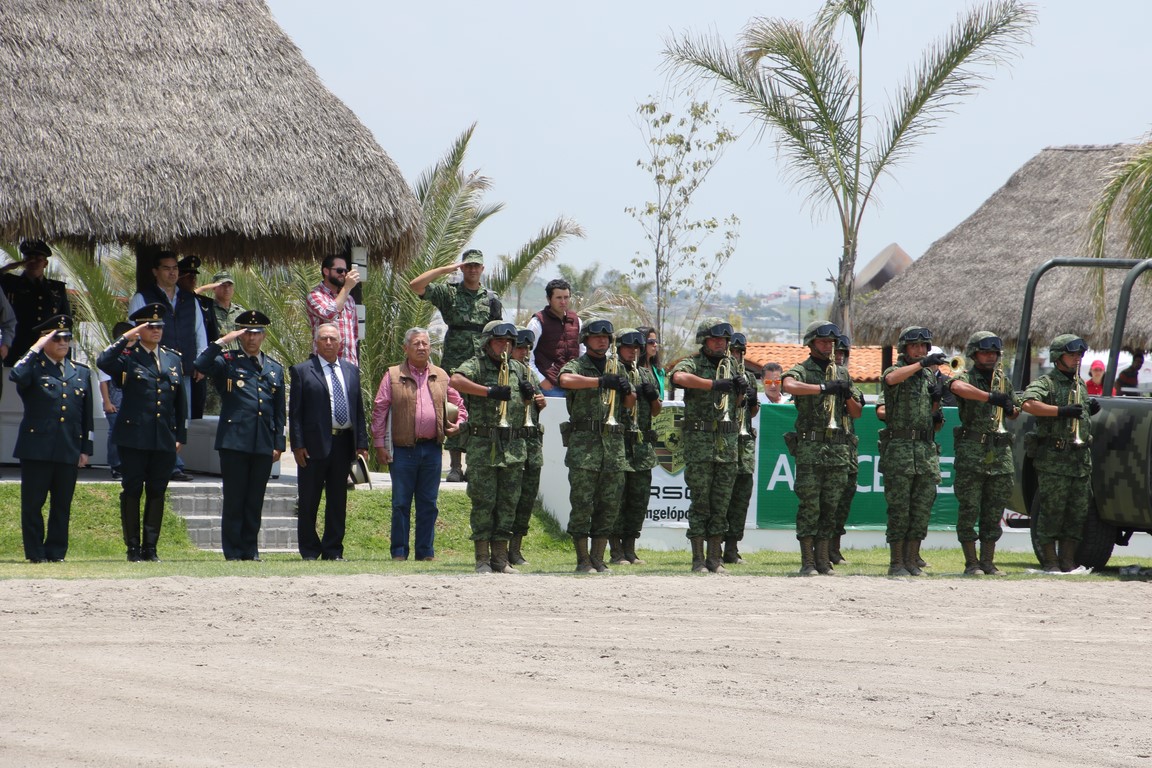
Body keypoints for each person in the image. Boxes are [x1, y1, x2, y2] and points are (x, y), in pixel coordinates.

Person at [97, 303, 187, 562]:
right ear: (140, 328)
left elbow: (180, 401)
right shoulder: (127, 356)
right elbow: (103, 361)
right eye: (150, 326)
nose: (156, 330)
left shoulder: (173, 358)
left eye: (159, 326)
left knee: (158, 491)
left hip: (163, 437)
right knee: (133, 490)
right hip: (133, 437)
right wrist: (127, 336)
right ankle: (133, 547)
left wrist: (181, 434)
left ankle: (151, 547)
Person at [194, 311, 286, 561]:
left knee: (254, 500)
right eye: (246, 332)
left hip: (262, 442)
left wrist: (279, 443)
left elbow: (279, 410)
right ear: (239, 335)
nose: (252, 338)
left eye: (256, 333)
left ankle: (250, 549)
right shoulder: (228, 361)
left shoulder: (274, 368)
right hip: (235, 441)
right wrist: (221, 342)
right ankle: (233, 551)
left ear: (264, 336)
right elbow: (200, 366)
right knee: (235, 499)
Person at [372, 327, 469, 562]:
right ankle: (399, 552)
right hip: (403, 451)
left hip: (432, 450)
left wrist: (460, 424)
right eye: (416, 343)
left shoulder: (442, 376)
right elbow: (380, 409)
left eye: (425, 343)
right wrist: (379, 445)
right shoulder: (393, 375)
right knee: (400, 504)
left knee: (429, 504)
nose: (421, 347)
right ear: (405, 348)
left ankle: (425, 552)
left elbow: (460, 405)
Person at [409, 249, 503, 482]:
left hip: (483, 359)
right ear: (462, 268)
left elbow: (500, 333)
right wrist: (444, 270)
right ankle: (454, 466)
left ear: (482, 269)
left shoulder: (491, 298)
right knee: (453, 409)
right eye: (468, 265)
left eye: (476, 266)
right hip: (455, 359)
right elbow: (416, 285)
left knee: (481, 410)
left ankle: (475, 464)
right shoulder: (448, 293)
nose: (472, 269)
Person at [781, 321, 863, 575]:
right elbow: (788, 385)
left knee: (831, 506)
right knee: (810, 505)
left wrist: (846, 393)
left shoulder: (841, 373)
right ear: (811, 343)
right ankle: (807, 561)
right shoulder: (802, 370)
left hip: (837, 449)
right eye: (823, 342)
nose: (828, 346)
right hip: (811, 448)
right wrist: (822, 388)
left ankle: (823, 559)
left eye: (831, 343)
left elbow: (857, 413)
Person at [10, 315, 93, 563]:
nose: (63, 342)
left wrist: (85, 448)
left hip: (68, 447)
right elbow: (16, 374)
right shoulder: (33, 369)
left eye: (67, 337)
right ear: (45, 340)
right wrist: (35, 347)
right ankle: (35, 553)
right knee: (33, 505)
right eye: (56, 338)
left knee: (62, 505)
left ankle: (56, 552)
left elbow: (86, 415)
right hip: (37, 448)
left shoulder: (80, 372)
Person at [450, 321, 531, 574]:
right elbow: (456, 381)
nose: (504, 346)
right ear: (487, 343)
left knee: (508, 503)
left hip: (513, 446)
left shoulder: (519, 369)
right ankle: (482, 558)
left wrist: (530, 395)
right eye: (499, 342)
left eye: (509, 342)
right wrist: (489, 391)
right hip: (484, 446)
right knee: (483, 502)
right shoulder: (476, 364)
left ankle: (500, 558)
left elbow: (531, 402)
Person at [558, 318, 635, 573]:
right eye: (596, 336)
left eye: (606, 337)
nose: (602, 340)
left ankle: (598, 558)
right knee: (582, 504)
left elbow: (629, 404)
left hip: (613, 447)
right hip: (585, 447)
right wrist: (600, 382)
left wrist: (627, 390)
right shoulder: (577, 365)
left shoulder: (617, 367)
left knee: (609, 505)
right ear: (585, 339)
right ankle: (582, 560)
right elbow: (565, 381)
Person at [670, 318, 745, 573]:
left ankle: (716, 557)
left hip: (727, 444)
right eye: (715, 339)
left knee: (721, 503)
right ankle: (698, 559)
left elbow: (739, 403)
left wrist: (743, 390)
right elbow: (678, 377)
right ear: (704, 340)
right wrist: (713, 384)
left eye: (724, 340)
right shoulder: (693, 361)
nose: (720, 344)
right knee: (701, 502)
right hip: (700, 444)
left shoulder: (733, 364)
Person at [289, 323, 369, 561]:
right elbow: (295, 412)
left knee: (337, 501)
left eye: (333, 339)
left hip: (343, 444)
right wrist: (297, 445)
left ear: (340, 342)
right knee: (309, 500)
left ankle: (333, 550)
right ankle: (310, 550)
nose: (328, 343)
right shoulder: (303, 371)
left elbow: (358, 409)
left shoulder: (351, 370)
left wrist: (361, 443)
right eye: (324, 338)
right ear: (317, 341)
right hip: (313, 446)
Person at [1021, 334, 1097, 572]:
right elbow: (1028, 403)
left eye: (1079, 355)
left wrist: (1088, 409)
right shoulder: (1047, 382)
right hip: (1054, 460)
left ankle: (1067, 559)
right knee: (1052, 511)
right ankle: (1050, 560)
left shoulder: (1080, 383)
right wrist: (1060, 411)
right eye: (1071, 355)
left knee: (1077, 512)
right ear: (1057, 357)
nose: (1077, 360)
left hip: (1079, 460)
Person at [944, 332, 1018, 576]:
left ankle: (988, 561)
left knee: (994, 509)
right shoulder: (966, 377)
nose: (991, 357)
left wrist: (1011, 406)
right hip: (972, 452)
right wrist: (989, 397)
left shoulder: (1003, 380)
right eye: (985, 352)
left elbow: (1014, 411)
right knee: (969, 508)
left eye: (994, 353)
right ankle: (970, 562)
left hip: (999, 452)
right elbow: (955, 387)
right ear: (974, 354)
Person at [128, 250, 206, 481]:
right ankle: (163, 463)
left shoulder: (190, 299)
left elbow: (199, 332)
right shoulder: (143, 297)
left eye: (175, 268)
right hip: (152, 368)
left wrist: (201, 361)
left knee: (181, 416)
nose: (172, 272)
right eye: (166, 268)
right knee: (156, 414)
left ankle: (173, 462)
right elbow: (133, 333)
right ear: (155, 271)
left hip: (183, 368)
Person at [878, 326, 947, 576]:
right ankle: (896, 562)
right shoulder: (896, 370)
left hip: (926, 450)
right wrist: (923, 364)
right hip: (901, 451)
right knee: (899, 509)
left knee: (921, 508)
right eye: (914, 346)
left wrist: (937, 400)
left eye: (924, 346)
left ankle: (911, 560)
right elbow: (890, 380)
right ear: (904, 349)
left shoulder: (929, 376)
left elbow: (929, 414)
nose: (920, 350)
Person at [609, 328, 661, 566]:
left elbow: (657, 411)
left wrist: (652, 397)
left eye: (636, 348)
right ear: (618, 348)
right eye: (628, 347)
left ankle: (630, 548)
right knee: (616, 499)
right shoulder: (612, 370)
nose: (633, 352)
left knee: (638, 500)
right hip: (618, 442)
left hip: (641, 446)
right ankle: (616, 550)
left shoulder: (645, 374)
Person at [509, 327, 546, 565]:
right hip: (511, 444)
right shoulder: (504, 373)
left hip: (531, 445)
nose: (523, 352)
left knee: (526, 499)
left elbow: (537, 402)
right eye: (519, 348)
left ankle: (516, 549)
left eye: (526, 349)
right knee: (509, 499)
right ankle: (502, 550)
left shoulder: (530, 375)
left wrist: (539, 402)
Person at [1, 240, 72, 365]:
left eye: (38, 259)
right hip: (18, 348)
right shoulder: (11, 282)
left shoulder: (56, 288)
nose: (33, 262)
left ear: (45, 263)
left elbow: (65, 320)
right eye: (29, 259)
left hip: (47, 350)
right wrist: (9, 267)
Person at [721, 332, 759, 565]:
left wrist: (752, 400)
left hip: (743, 444)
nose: (737, 356)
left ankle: (732, 547)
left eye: (740, 352)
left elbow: (752, 412)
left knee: (741, 497)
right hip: (724, 441)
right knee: (721, 497)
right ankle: (715, 547)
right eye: (733, 351)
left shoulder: (749, 377)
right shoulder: (723, 374)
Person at [829, 335, 862, 565]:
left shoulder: (851, 384)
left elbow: (857, 411)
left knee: (843, 502)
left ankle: (835, 548)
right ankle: (821, 550)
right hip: (826, 449)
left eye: (842, 353)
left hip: (847, 451)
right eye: (836, 353)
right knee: (826, 502)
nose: (839, 356)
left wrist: (846, 392)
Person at [177, 256, 218, 419]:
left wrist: (205, 363)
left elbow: (211, 336)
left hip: (199, 366)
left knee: (196, 409)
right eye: (189, 276)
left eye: (195, 276)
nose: (193, 279)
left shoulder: (204, 303)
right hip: (180, 363)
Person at [526, 278, 581, 396]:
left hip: (574, 385)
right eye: (558, 298)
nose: (563, 302)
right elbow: (527, 357)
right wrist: (541, 380)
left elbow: (583, 352)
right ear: (548, 299)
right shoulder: (537, 322)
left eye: (566, 297)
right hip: (549, 387)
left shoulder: (577, 321)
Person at [306, 253, 360, 365]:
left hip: (348, 365)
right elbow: (329, 314)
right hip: (324, 365)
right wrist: (347, 287)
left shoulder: (349, 299)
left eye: (346, 271)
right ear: (326, 271)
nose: (344, 274)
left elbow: (354, 332)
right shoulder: (315, 295)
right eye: (339, 271)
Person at [98, 321, 135, 479]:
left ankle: (127, 464)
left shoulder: (134, 354)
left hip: (129, 403)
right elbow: (104, 381)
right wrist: (107, 402)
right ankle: (115, 465)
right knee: (115, 433)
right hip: (114, 403)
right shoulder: (110, 355)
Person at [196, 270, 245, 345]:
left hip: (236, 355)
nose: (227, 289)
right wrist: (202, 288)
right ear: (214, 288)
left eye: (229, 285)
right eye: (223, 285)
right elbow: (188, 298)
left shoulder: (240, 312)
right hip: (216, 354)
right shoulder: (207, 309)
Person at [638, 326, 667, 400]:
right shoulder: (633, 368)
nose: (655, 344)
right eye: (651, 342)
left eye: (656, 341)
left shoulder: (659, 371)